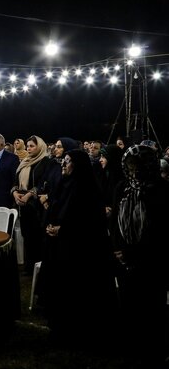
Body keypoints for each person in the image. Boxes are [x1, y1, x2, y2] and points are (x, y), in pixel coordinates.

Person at [41, 149, 117, 345]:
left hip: (79, 252)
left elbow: (88, 222)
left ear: (79, 165)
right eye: (63, 161)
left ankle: (78, 331)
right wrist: (50, 225)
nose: (63, 165)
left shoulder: (88, 190)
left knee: (76, 293)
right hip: (59, 247)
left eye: (68, 161)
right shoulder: (63, 184)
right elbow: (55, 208)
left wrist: (63, 229)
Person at [110, 145, 169, 366]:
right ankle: (131, 347)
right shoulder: (121, 187)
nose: (135, 170)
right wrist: (118, 249)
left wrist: (133, 252)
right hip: (124, 259)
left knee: (152, 306)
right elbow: (114, 220)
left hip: (151, 260)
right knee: (129, 304)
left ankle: (153, 349)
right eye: (131, 165)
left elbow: (160, 230)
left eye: (139, 165)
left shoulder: (161, 190)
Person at [12, 136, 60, 274]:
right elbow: (15, 181)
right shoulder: (25, 161)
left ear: (39, 147)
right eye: (27, 146)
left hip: (36, 206)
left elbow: (44, 183)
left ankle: (38, 267)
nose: (29, 148)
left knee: (36, 236)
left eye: (32, 146)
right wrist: (15, 193)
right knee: (27, 235)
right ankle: (28, 267)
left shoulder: (46, 162)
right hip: (22, 204)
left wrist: (29, 194)